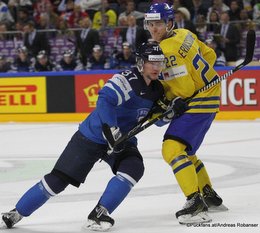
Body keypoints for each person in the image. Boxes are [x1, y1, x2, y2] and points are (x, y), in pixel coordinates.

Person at [1, 42, 174, 231]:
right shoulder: (127, 79)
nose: (157, 67)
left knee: (134, 167)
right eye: (153, 62)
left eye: (160, 63)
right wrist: (112, 130)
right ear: (141, 62)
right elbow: (105, 100)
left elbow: (156, 120)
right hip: (92, 135)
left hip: (123, 140)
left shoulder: (157, 89)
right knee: (57, 180)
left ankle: (100, 213)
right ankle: (16, 212)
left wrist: (171, 114)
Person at [144, 2, 227, 225]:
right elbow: (209, 55)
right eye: (150, 24)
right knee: (185, 151)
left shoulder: (166, 50)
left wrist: (164, 102)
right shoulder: (185, 33)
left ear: (169, 22)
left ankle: (195, 201)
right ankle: (207, 193)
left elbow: (185, 90)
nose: (153, 29)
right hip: (210, 94)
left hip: (198, 101)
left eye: (158, 24)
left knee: (171, 148)